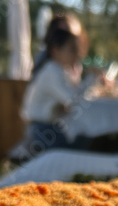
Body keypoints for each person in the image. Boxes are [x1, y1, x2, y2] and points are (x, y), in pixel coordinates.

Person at [21, 28, 93, 156]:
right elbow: (74, 100)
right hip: (42, 133)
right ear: (55, 50)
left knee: (86, 137)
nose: (78, 54)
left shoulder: (58, 70)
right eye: (72, 49)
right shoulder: (52, 71)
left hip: (42, 129)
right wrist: (92, 79)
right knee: (87, 140)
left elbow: (70, 102)